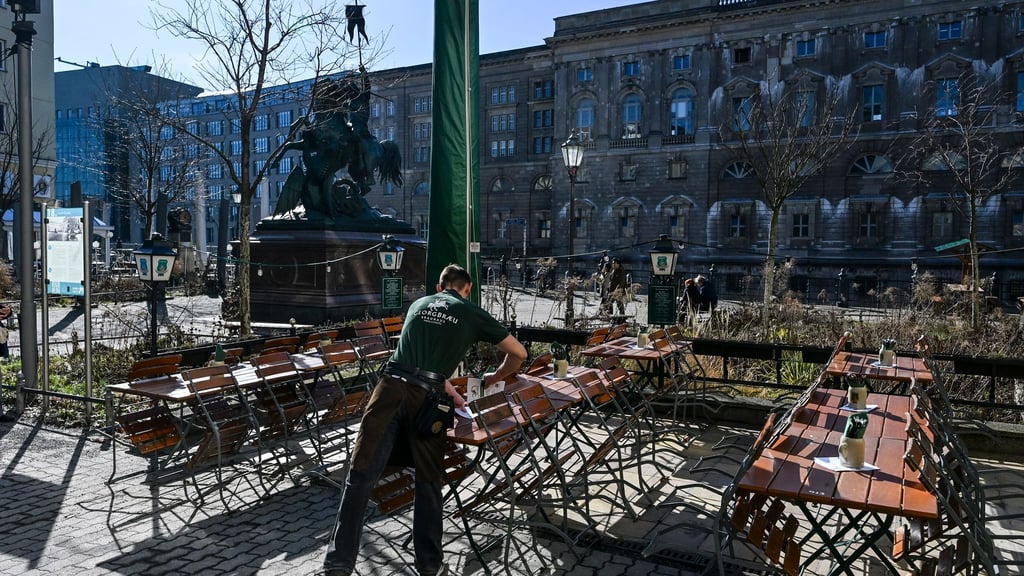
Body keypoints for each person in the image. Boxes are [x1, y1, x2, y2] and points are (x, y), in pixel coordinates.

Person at [322, 263, 528, 576]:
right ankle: (430, 566)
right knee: (428, 481)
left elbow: (414, 360)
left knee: (360, 476)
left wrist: (450, 388)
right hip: (428, 399)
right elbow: (519, 354)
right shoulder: (470, 312)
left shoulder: (418, 305)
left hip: (389, 389)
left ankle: (338, 565)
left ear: (439, 286)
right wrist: (495, 376)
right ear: (466, 289)